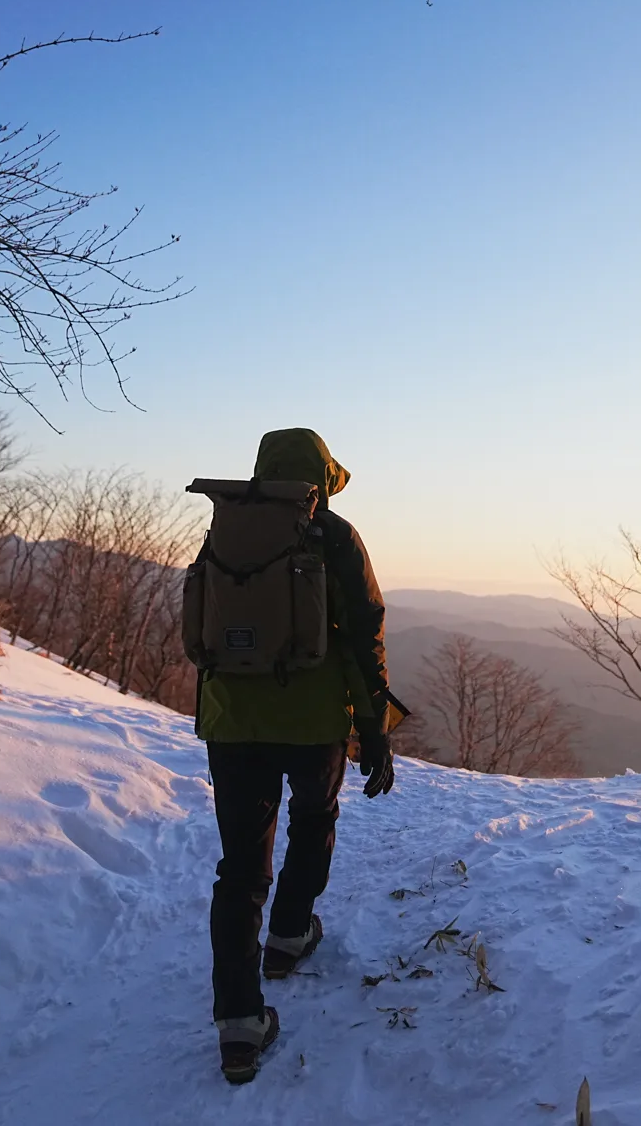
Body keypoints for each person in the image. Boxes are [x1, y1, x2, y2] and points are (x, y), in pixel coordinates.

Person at [195, 428, 395, 1085]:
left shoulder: (227, 529)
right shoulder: (334, 537)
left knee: (240, 868)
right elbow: (366, 634)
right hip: (313, 723)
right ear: (324, 475)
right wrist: (375, 727)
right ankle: (287, 936)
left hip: (234, 720)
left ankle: (238, 1023)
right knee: (314, 818)